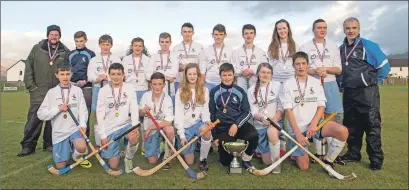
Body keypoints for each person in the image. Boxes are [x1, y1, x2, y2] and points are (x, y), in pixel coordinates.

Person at [279, 51, 348, 172]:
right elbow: (288, 111)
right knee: (304, 167)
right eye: (297, 64)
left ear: (307, 65)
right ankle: (296, 149)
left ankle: (328, 160)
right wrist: (298, 133)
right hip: (297, 129)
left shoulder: (315, 83)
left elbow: (321, 106)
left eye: (303, 63)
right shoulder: (287, 84)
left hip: (315, 125)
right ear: (293, 66)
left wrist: (313, 124)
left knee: (342, 131)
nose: (300, 66)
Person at [337, 17, 390, 171]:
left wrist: (371, 81)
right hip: (348, 93)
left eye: (354, 28)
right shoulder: (341, 49)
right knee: (351, 125)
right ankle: (353, 153)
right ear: (344, 30)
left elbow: (384, 66)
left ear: (359, 29)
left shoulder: (368, 45)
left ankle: (375, 159)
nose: (351, 31)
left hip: (367, 93)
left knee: (371, 125)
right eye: (348, 28)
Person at [18, 24, 70, 157]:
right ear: (48, 35)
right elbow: (28, 67)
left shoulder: (65, 51)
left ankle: (49, 144)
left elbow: (68, 69)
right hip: (38, 91)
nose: (54, 36)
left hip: (56, 92)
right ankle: (28, 146)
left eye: (56, 34)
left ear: (60, 36)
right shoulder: (37, 49)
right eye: (52, 34)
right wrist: (31, 87)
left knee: (53, 119)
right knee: (34, 119)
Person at [299, 19, 344, 163]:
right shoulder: (305, 46)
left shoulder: (333, 46)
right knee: (316, 117)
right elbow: (302, 68)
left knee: (332, 117)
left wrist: (326, 69)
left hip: (330, 84)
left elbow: (338, 69)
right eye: (319, 28)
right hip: (313, 84)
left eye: (324, 27)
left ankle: (332, 156)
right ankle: (319, 153)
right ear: (313, 30)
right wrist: (315, 70)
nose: (322, 30)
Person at [37, 63, 91, 169]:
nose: (65, 77)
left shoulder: (78, 90)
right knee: (61, 167)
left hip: (75, 128)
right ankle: (64, 154)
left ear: (71, 74)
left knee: (81, 147)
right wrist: (58, 109)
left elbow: (83, 110)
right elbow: (41, 114)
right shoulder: (51, 92)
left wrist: (83, 125)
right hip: (59, 132)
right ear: (57, 75)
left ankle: (76, 156)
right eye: (62, 74)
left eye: (68, 74)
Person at [209, 62, 259, 171]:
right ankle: (234, 150)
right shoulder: (214, 91)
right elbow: (212, 114)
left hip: (238, 125)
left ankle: (246, 159)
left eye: (229, 75)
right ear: (220, 76)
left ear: (233, 75)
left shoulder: (240, 91)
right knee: (226, 161)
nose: (227, 78)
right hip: (223, 128)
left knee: (253, 135)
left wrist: (236, 124)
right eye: (224, 75)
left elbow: (247, 112)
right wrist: (215, 136)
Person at [95, 63, 140, 173]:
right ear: (109, 75)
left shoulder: (129, 88)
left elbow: (134, 108)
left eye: (119, 74)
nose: (116, 77)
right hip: (109, 128)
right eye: (113, 74)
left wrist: (135, 126)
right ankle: (120, 153)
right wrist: (103, 135)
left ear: (123, 75)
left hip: (125, 125)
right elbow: (99, 114)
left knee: (133, 137)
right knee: (113, 165)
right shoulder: (103, 90)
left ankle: (128, 159)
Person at [267, 19, 298, 158]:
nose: (282, 31)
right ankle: (280, 145)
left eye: (284, 28)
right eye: (279, 29)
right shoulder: (272, 46)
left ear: (288, 29)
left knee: (291, 113)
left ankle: (293, 148)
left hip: (291, 80)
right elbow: (270, 66)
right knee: (278, 113)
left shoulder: (294, 45)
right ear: (276, 31)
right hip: (276, 81)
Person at [174, 63, 213, 171]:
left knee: (207, 131)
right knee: (189, 162)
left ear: (198, 75)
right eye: (189, 74)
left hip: (197, 123)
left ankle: (203, 159)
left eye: (194, 74)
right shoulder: (180, 91)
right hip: (185, 127)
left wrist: (207, 121)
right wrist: (181, 135)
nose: (192, 76)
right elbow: (178, 114)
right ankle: (181, 143)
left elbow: (205, 110)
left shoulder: (204, 90)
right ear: (185, 76)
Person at [247, 63, 283, 174]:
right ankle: (262, 149)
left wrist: (275, 119)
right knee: (267, 161)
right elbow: (253, 112)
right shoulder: (251, 90)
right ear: (258, 73)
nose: (265, 75)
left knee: (272, 132)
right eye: (263, 72)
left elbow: (281, 106)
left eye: (268, 72)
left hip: (275, 123)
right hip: (260, 125)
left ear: (272, 74)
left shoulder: (277, 85)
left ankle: (277, 166)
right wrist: (262, 119)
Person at [87, 34, 122, 147]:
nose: (105, 47)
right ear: (99, 45)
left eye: (108, 44)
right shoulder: (94, 59)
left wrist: (109, 77)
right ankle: (99, 144)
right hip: (98, 89)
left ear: (111, 45)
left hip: (113, 89)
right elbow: (89, 76)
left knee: (113, 115)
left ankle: (113, 143)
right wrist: (97, 78)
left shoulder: (116, 58)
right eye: (103, 44)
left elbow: (120, 74)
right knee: (98, 117)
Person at [139, 72, 175, 170]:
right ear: (151, 85)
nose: (157, 87)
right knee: (152, 161)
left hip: (161, 126)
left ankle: (167, 156)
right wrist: (142, 111)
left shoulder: (168, 99)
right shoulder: (145, 96)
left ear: (164, 85)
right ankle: (161, 146)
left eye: (160, 84)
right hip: (149, 126)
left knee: (170, 130)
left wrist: (151, 128)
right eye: (154, 84)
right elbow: (140, 115)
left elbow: (168, 121)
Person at [122, 37, 151, 156]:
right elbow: (123, 78)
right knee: (127, 119)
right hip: (129, 92)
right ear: (132, 46)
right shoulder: (125, 59)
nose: (137, 48)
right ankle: (127, 146)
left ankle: (145, 145)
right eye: (135, 45)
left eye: (140, 46)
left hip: (143, 91)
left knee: (144, 119)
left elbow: (150, 79)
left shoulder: (148, 60)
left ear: (143, 47)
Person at [67, 31, 96, 138]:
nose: (79, 43)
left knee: (85, 111)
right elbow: (67, 70)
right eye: (77, 41)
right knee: (73, 110)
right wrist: (70, 81)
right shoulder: (70, 54)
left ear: (86, 40)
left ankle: (85, 137)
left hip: (86, 86)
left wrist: (86, 80)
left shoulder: (91, 54)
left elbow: (93, 70)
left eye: (81, 41)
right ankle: (73, 136)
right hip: (72, 86)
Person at [231, 24, 268, 91]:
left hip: (255, 82)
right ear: (243, 35)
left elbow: (265, 68)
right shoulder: (236, 52)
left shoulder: (261, 52)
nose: (249, 36)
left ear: (255, 35)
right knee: (242, 99)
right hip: (240, 83)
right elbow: (232, 68)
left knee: (255, 100)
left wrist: (252, 71)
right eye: (246, 33)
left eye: (251, 33)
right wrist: (241, 72)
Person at [199, 24, 234, 92]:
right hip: (209, 83)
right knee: (208, 102)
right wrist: (202, 81)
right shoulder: (206, 51)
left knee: (224, 102)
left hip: (224, 83)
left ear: (225, 35)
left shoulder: (230, 50)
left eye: (221, 34)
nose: (218, 37)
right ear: (212, 35)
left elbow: (233, 68)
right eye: (216, 34)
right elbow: (202, 68)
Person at [147, 32, 179, 102]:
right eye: (162, 42)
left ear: (170, 43)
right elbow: (148, 75)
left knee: (170, 111)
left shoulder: (174, 56)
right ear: (159, 43)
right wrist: (167, 77)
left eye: (167, 42)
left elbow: (174, 73)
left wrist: (157, 74)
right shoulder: (153, 57)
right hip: (156, 90)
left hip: (170, 89)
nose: (164, 44)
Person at [173, 22, 203, 92]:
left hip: (195, 80)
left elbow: (202, 64)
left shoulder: (199, 46)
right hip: (180, 81)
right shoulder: (176, 48)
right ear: (181, 33)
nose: (187, 34)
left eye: (189, 32)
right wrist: (181, 67)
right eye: (185, 32)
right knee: (180, 101)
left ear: (193, 33)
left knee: (195, 102)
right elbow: (173, 66)